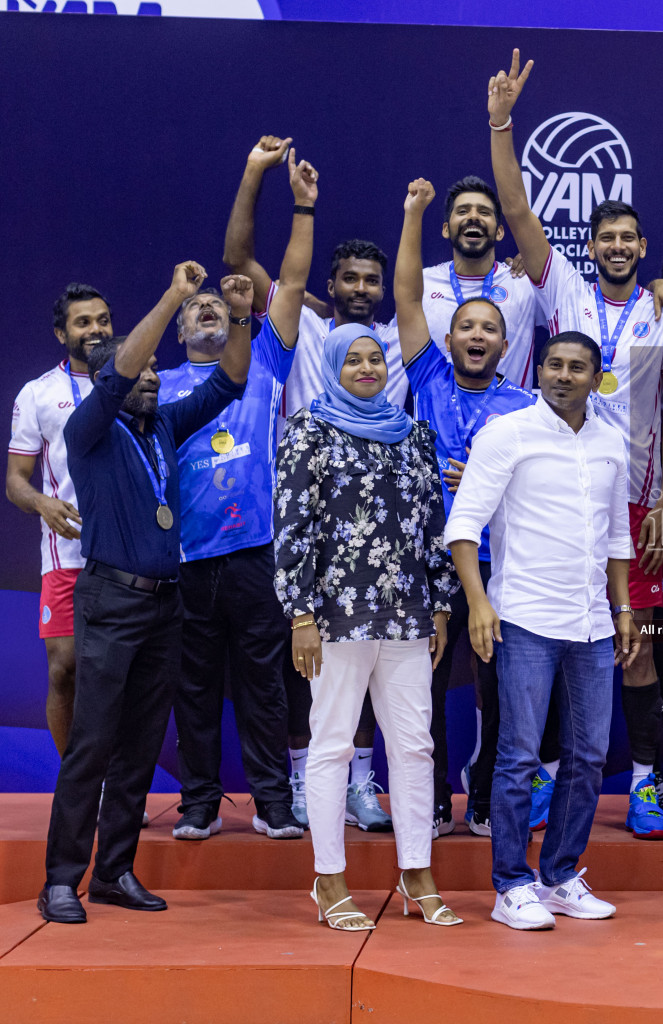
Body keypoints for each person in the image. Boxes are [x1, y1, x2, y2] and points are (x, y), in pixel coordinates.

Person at [487, 51, 663, 841]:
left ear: (642, 248)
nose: (615, 246)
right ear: (594, 244)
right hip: (552, 492)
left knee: (635, 644)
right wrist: (502, 124)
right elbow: (516, 208)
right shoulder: (565, 288)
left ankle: (644, 784)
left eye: (627, 238)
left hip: (635, 498)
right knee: (547, 633)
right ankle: (542, 778)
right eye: (605, 236)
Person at [38, 262, 251, 924]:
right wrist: (173, 296)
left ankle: (114, 873)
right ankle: (60, 881)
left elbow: (231, 379)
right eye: (142, 371)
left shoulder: (164, 425)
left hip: (167, 603)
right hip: (111, 600)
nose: (155, 376)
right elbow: (124, 369)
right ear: (112, 384)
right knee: (94, 742)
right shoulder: (89, 433)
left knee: (138, 745)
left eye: (159, 369)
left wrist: (239, 317)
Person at [223, 134, 402, 831]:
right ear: (333, 283)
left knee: (364, 651)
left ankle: (361, 783)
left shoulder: (397, 340)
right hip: (303, 520)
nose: (360, 288)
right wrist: (268, 182)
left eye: (371, 280)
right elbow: (240, 257)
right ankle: (302, 782)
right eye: (349, 278)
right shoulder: (300, 325)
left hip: (376, 524)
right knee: (303, 657)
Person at [445, 330, 638, 931]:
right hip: (524, 617)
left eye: (576, 367)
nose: (562, 375)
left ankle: (559, 874)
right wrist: (479, 605)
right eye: (554, 364)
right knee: (519, 756)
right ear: (541, 370)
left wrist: (624, 608)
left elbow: (616, 536)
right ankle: (510, 885)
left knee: (590, 756)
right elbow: (464, 526)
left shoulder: (611, 440)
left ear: (595, 376)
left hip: (592, 623)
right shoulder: (506, 434)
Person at [274, 322, 459, 931]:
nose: (365, 368)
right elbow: (294, 525)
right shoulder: (310, 429)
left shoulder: (413, 435)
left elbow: (435, 522)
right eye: (351, 360)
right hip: (334, 616)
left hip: (407, 614)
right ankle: (328, 880)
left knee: (414, 747)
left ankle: (417, 873)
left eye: (374, 358)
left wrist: (440, 601)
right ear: (333, 366)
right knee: (330, 746)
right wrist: (300, 612)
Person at [165, 151, 315, 843]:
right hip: (185, 558)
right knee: (192, 690)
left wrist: (299, 203)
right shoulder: (156, 386)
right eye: (195, 308)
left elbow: (290, 283)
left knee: (264, 688)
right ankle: (199, 802)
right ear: (177, 328)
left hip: (257, 552)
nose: (207, 312)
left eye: (216, 306)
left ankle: (273, 804)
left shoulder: (265, 364)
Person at [396, 176, 537, 838]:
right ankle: (428, 805)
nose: (477, 335)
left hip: (495, 559)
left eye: (489, 329)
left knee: (496, 689)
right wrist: (414, 217)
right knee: (420, 685)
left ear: (505, 347)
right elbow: (403, 297)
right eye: (465, 327)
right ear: (447, 341)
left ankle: (484, 801)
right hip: (426, 556)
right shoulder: (426, 376)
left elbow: (539, 488)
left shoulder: (526, 407)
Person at [8, 284, 112, 756]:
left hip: (129, 556)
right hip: (68, 550)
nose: (96, 329)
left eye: (103, 319)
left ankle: (118, 783)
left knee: (120, 674)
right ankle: (79, 784)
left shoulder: (136, 379)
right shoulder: (38, 393)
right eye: (83, 322)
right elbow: (16, 480)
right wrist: (43, 504)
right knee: (64, 669)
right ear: (60, 333)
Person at [423, 174, 540, 387]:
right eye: (462, 211)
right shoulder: (422, 284)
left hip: (510, 419)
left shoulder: (524, 283)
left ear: (500, 231)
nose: (473, 217)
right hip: (442, 418)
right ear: (446, 229)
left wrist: (537, 264)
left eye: (484, 212)